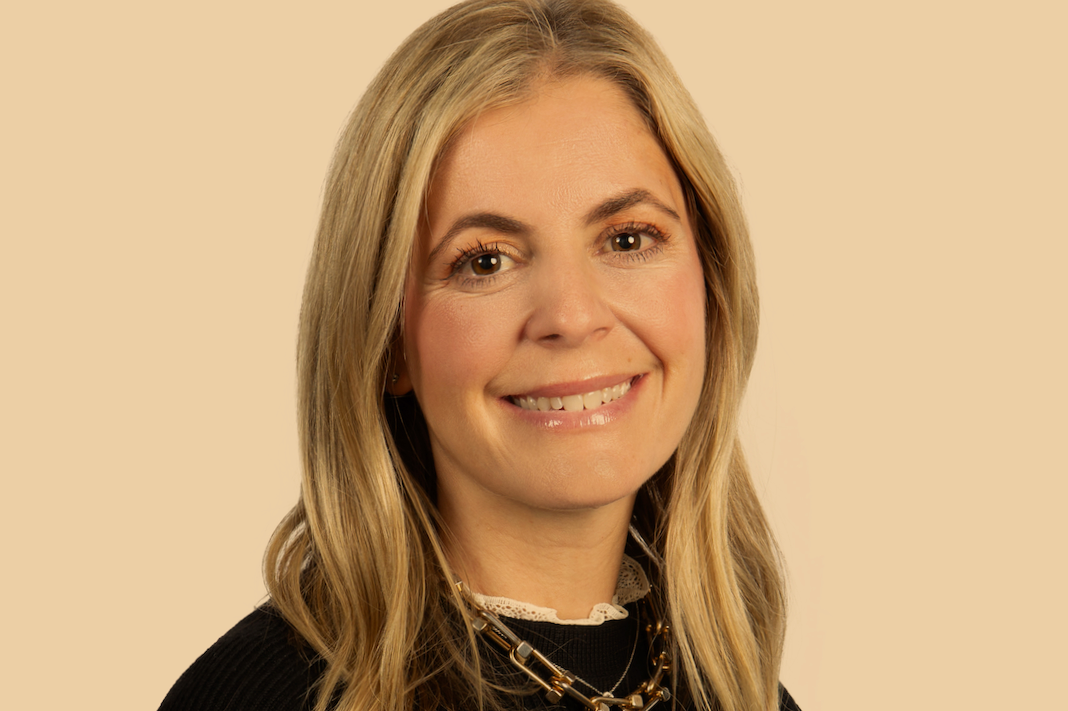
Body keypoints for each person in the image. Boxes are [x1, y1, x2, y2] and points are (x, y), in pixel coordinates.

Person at [159, 1, 799, 710]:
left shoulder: (745, 693)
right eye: (486, 260)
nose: (573, 315)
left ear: (711, 280)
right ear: (388, 339)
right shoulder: (265, 698)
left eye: (626, 238)